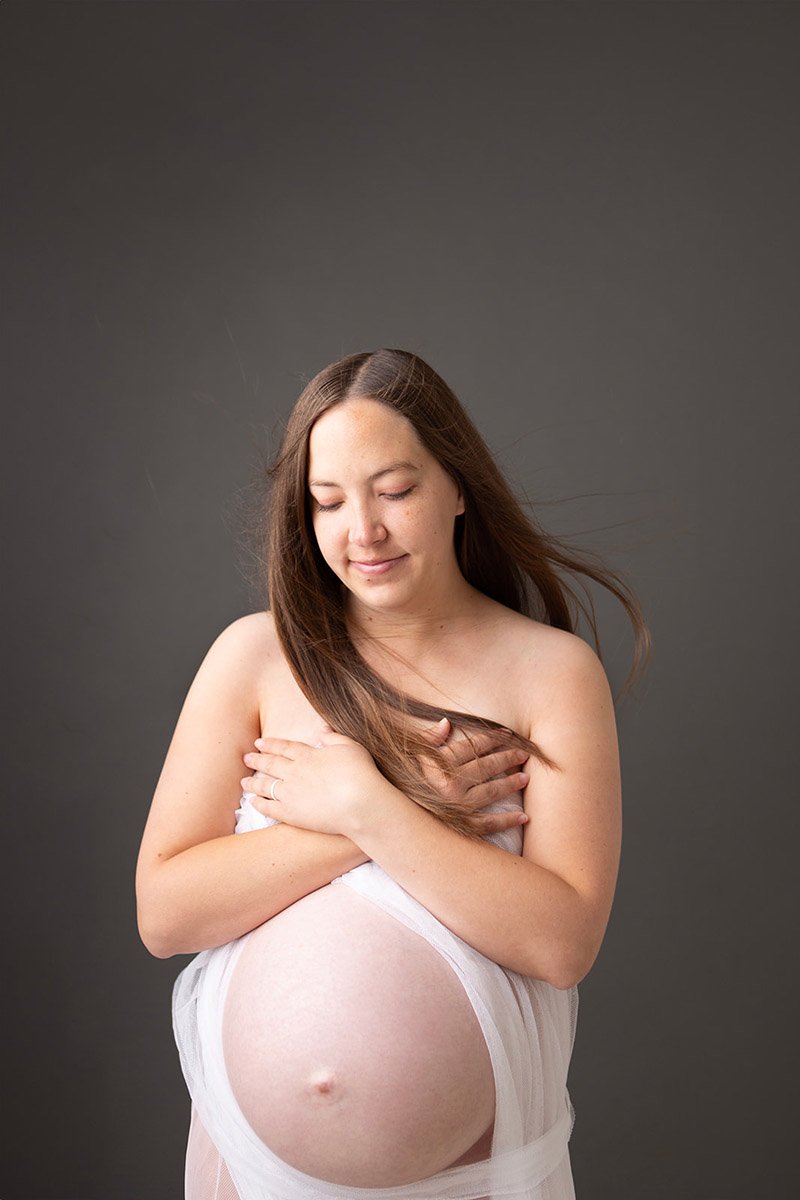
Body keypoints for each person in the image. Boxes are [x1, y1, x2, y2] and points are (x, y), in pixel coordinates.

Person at [135, 348, 649, 1200]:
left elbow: (562, 943)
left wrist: (374, 807)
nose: (361, 531)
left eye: (396, 491)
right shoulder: (253, 658)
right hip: (255, 1172)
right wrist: (363, 813)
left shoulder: (549, 673)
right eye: (327, 502)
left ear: (458, 488)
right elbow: (165, 914)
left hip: (473, 1173)